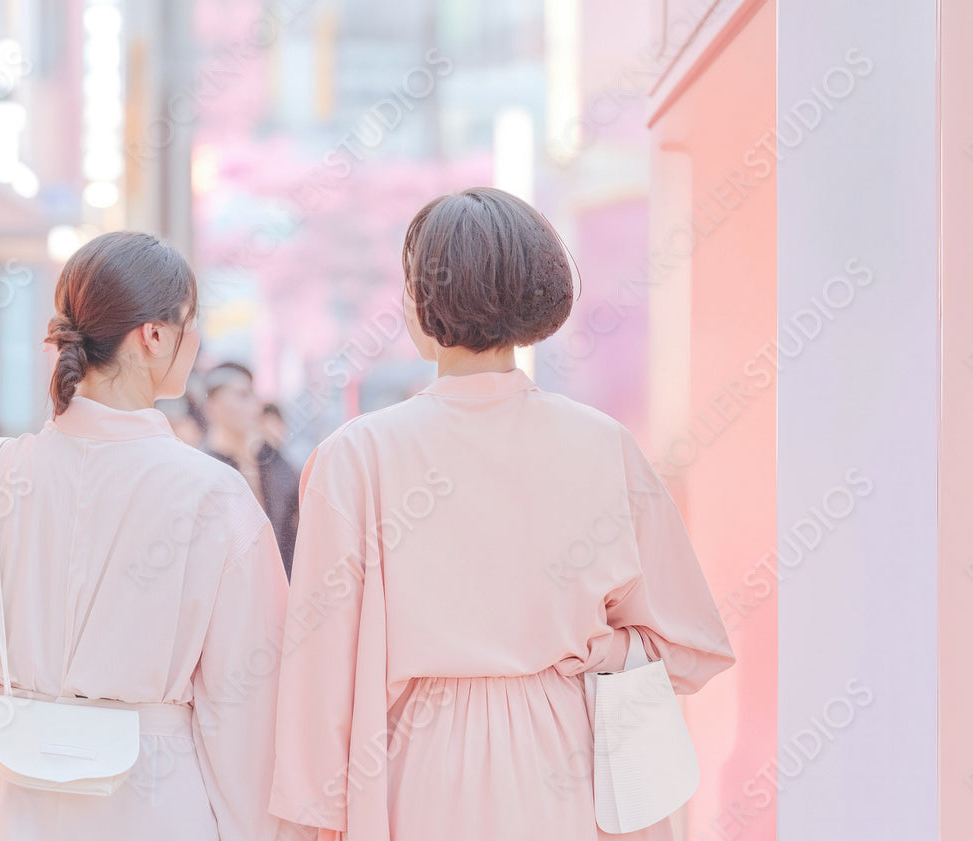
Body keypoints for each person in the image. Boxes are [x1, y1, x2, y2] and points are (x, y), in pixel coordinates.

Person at [269, 188, 735, 841]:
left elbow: (319, 679)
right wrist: (606, 645)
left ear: (419, 299)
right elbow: (691, 646)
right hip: (573, 767)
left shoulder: (357, 456)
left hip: (418, 773)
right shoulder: (604, 446)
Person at [0, 231, 292, 841]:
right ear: (153, 335)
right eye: (192, 324)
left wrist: (18, 695)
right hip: (151, 798)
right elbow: (246, 707)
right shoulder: (214, 496)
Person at [200, 363, 299, 578]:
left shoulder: (272, 460)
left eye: (254, 394)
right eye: (242, 395)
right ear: (212, 407)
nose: (255, 405)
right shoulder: (201, 470)